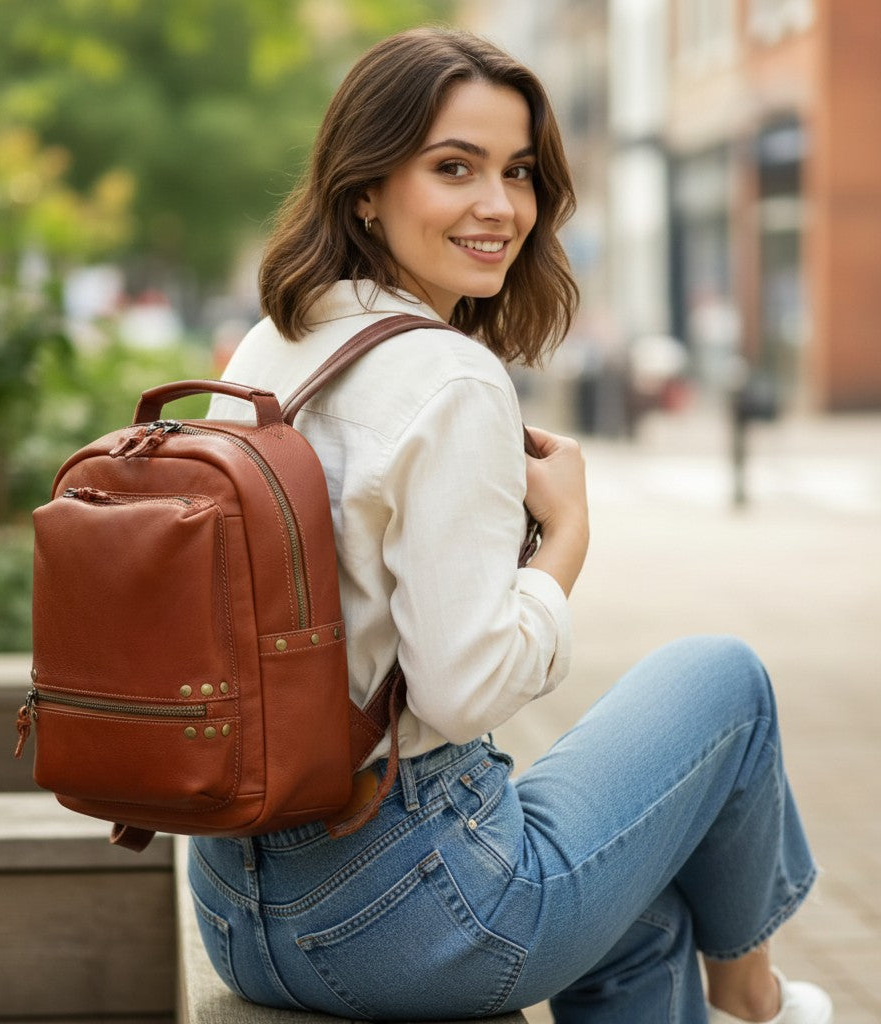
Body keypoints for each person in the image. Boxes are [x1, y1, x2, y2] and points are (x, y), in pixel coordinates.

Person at [188, 27, 832, 1024]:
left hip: (239, 902)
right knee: (727, 681)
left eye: (518, 172)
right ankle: (753, 996)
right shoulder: (450, 378)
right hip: (411, 908)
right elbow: (463, 688)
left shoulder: (273, 341)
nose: (498, 205)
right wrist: (563, 538)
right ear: (365, 189)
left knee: (647, 915)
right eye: (455, 168)